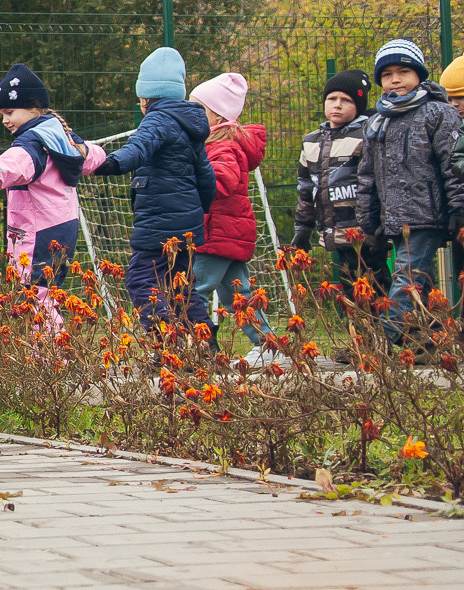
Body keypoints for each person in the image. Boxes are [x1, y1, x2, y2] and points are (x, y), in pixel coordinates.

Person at [0, 63, 108, 326]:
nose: (5, 120)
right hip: (62, 227)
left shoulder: (32, 144)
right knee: (46, 293)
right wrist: (108, 159)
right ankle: (50, 353)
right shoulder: (62, 136)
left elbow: (7, 168)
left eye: (10, 112)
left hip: (37, 231)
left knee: (34, 295)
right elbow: (92, 155)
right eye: (1, 114)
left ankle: (50, 358)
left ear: (34, 109)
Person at [92, 46, 215, 333]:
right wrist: (199, 211)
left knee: (141, 280)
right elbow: (206, 177)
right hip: (187, 224)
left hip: (160, 222)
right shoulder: (190, 125)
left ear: (146, 97)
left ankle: (166, 343)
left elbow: (137, 148)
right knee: (181, 287)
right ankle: (206, 347)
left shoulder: (157, 119)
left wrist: (110, 164)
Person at [356, 38, 464, 343]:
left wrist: (457, 208)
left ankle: (383, 346)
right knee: (421, 284)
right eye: (388, 74)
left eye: (403, 71)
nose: (395, 80)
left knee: (406, 279)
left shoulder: (438, 113)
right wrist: (369, 223)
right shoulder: (377, 121)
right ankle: (433, 342)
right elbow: (367, 177)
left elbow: (452, 164)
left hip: (427, 215)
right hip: (393, 218)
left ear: (418, 74)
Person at [187, 73, 270, 366]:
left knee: (191, 290)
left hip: (217, 235)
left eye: (197, 109)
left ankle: (187, 344)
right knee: (238, 297)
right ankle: (267, 344)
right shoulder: (214, 143)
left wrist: (190, 178)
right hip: (227, 233)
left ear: (217, 115)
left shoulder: (224, 146)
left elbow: (223, 180)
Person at [293, 70, 389, 300]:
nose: (337, 105)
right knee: (349, 291)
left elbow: (378, 184)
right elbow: (306, 190)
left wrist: (377, 226)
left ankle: (388, 334)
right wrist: (303, 229)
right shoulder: (311, 141)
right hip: (336, 231)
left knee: (377, 288)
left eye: (346, 100)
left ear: (358, 105)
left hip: (365, 232)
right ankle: (362, 335)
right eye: (332, 99)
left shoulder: (367, 135)